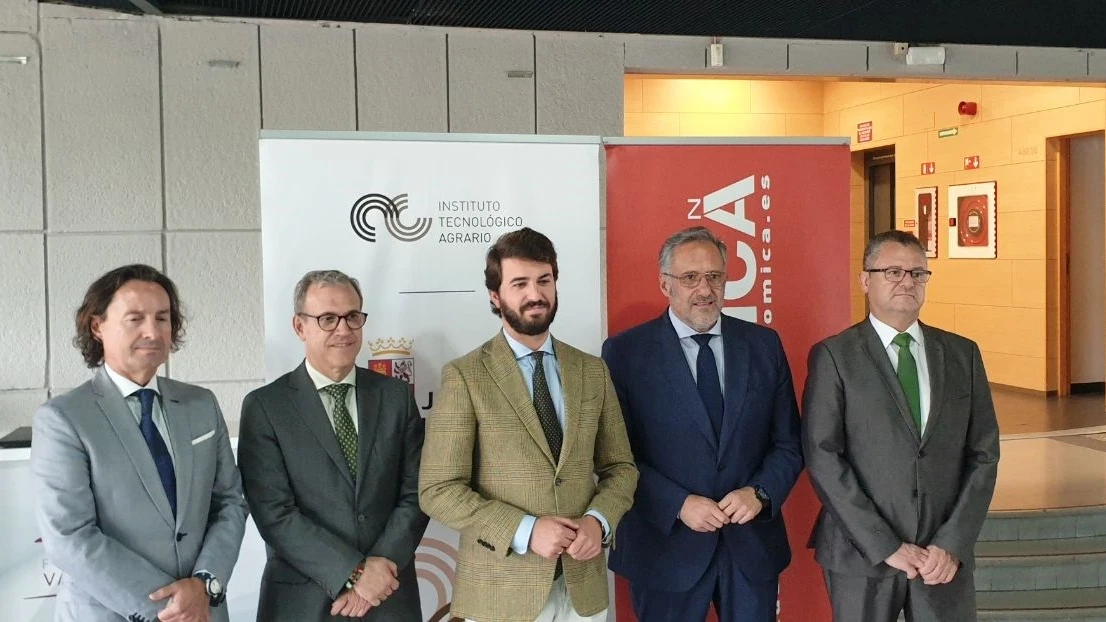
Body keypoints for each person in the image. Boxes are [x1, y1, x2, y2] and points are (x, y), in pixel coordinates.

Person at [419, 227, 638, 622]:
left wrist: (598, 520)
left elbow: (620, 468)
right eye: (519, 283)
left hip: (582, 592)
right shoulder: (465, 376)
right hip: (499, 593)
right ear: (495, 296)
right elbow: (438, 490)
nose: (535, 294)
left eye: (544, 280)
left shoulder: (592, 371)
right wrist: (525, 529)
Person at [601, 226, 803, 621]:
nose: (704, 289)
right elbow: (613, 456)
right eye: (690, 278)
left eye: (714, 276)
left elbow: (789, 444)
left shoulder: (764, 346)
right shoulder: (625, 354)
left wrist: (760, 493)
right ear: (665, 284)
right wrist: (677, 504)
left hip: (751, 548)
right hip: (665, 549)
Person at [802, 229, 1000, 621]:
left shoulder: (963, 354)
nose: (907, 282)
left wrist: (953, 542)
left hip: (941, 559)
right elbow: (823, 456)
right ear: (865, 280)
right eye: (892, 271)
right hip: (863, 554)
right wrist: (885, 544)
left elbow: (984, 454)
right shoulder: (835, 356)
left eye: (917, 273)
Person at [32, 263, 247, 622]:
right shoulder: (64, 419)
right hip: (115, 613)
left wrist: (205, 583)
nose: (153, 331)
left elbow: (229, 502)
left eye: (163, 318)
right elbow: (69, 535)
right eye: (135, 318)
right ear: (97, 326)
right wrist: (171, 607)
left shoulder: (201, 404)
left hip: (203, 609)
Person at [238, 269, 428, 621]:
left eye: (353, 317)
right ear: (300, 327)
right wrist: (354, 573)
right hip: (304, 601)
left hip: (389, 598)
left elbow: (417, 492)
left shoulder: (396, 397)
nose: (344, 330)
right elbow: (274, 513)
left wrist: (377, 573)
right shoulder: (266, 407)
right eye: (328, 319)